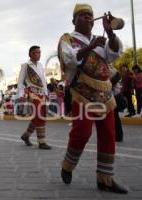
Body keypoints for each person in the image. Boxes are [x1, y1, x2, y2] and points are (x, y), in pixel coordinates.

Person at [57, 4, 128, 193]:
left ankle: (105, 179)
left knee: (108, 135)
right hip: (82, 93)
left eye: (90, 15)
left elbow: (113, 54)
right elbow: (69, 59)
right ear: (74, 20)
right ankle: (68, 165)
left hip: (105, 94)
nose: (88, 18)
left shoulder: (100, 40)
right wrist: (90, 46)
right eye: (83, 15)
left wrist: (110, 33)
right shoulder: (68, 39)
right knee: (82, 133)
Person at [17, 45, 51, 150]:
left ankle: (25, 136)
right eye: (36, 52)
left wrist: (46, 93)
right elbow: (20, 82)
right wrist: (21, 95)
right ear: (30, 54)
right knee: (39, 116)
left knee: (39, 116)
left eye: (39, 52)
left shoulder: (40, 65)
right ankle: (42, 142)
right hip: (32, 94)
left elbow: (44, 81)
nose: (38, 54)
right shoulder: (25, 66)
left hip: (42, 94)